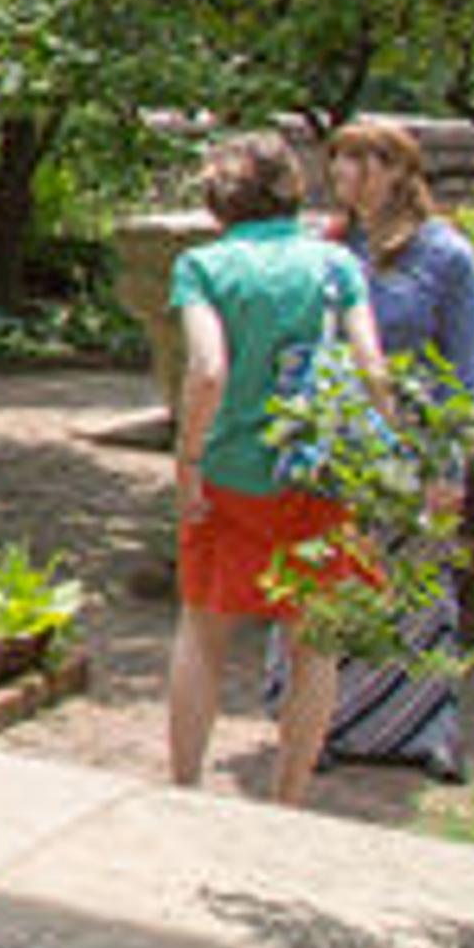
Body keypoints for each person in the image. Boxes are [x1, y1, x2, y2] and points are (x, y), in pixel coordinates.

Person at [166, 129, 386, 802]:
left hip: (230, 472)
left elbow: (208, 371)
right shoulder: (336, 265)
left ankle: (184, 787)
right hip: (315, 475)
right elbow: (373, 369)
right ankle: (287, 799)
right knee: (313, 645)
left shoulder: (203, 267)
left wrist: (188, 459)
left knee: (204, 629)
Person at [279, 120, 474, 778]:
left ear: (400, 170)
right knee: (330, 576)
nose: (349, 173)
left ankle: (426, 730)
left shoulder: (446, 255)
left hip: (411, 433)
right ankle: (322, 721)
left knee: (419, 582)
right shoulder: (328, 246)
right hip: (334, 434)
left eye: (367, 160)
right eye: (340, 160)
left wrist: (449, 462)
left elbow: (464, 365)